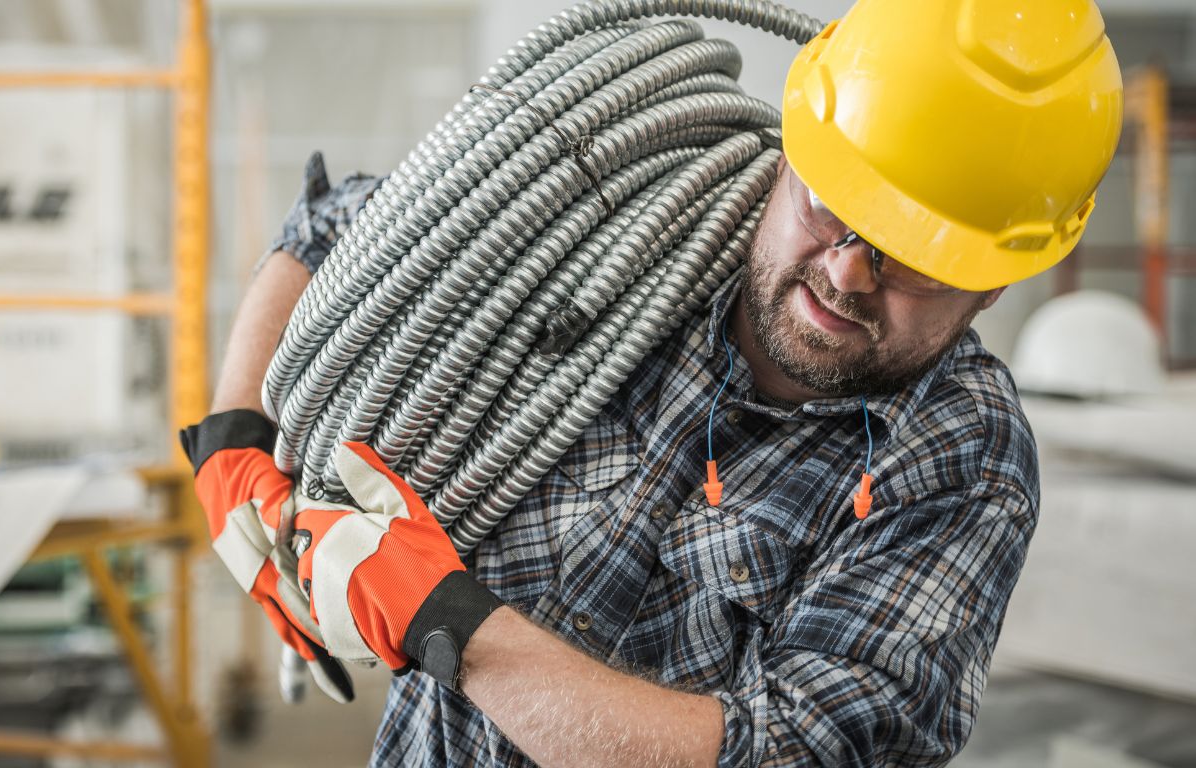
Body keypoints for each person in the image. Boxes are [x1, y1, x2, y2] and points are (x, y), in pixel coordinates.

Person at [180, 0, 1123, 764]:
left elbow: (793, 749)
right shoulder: (641, 192)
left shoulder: (960, 457)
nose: (846, 274)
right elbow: (336, 224)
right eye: (832, 207)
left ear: (996, 278)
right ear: (796, 147)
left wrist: (452, 626)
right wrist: (233, 440)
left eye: (914, 262)